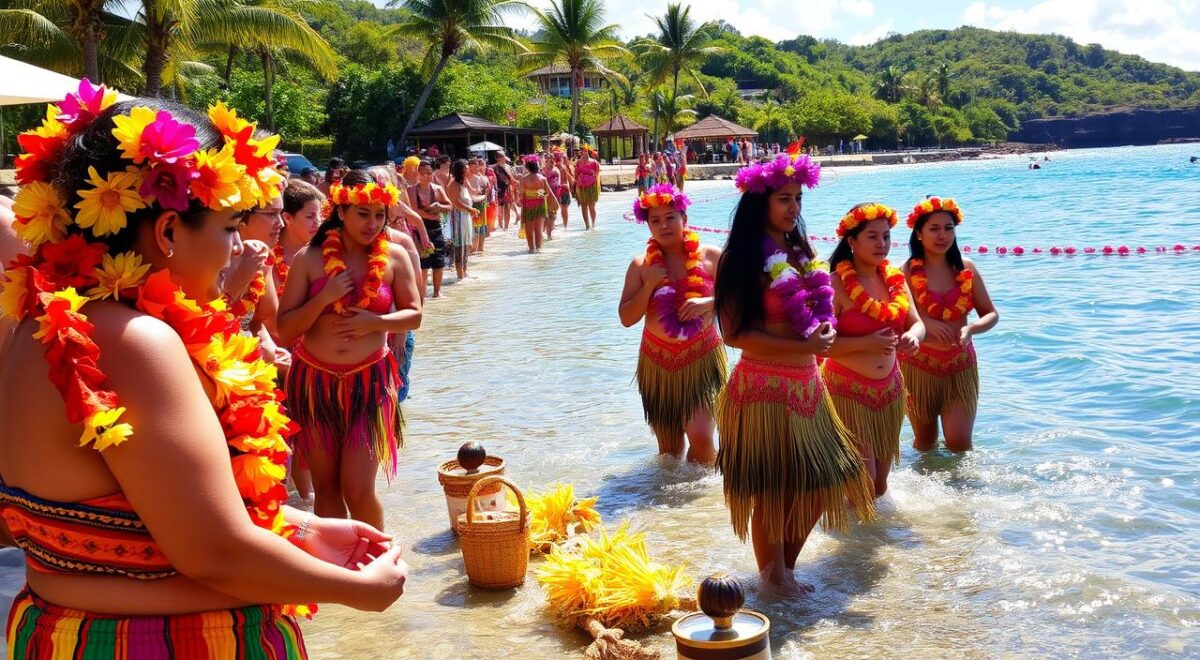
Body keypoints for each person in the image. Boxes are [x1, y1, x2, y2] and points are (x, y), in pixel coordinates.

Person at [0, 87, 408, 655]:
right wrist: (356, 589)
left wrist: (303, 527)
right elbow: (214, 553)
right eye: (228, 227)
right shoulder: (135, 341)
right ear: (168, 232)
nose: (238, 248)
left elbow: (145, 508)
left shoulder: (41, 323)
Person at [713, 152, 875, 596]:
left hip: (807, 386)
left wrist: (826, 329)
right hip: (761, 388)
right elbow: (734, 334)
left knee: (823, 484)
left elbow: (820, 310)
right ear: (759, 203)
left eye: (798, 198)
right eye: (784, 198)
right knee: (771, 489)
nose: (794, 208)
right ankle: (774, 579)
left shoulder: (803, 254)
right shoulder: (739, 262)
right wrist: (803, 346)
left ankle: (784, 570)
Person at [277, 169, 421, 529]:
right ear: (341, 211)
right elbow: (284, 330)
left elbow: (414, 315)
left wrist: (376, 323)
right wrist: (324, 298)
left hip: (370, 384)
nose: (372, 224)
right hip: (315, 384)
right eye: (362, 214)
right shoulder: (309, 260)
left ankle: (377, 563)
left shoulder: (395, 259)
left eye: (379, 215)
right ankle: (339, 572)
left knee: (357, 489)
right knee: (327, 490)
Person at [823, 203, 925, 498]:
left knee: (880, 487)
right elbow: (819, 345)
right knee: (863, 483)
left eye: (887, 236)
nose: (882, 244)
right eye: (872, 236)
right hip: (847, 391)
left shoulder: (895, 281)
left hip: (890, 391)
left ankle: (870, 540)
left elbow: (916, 324)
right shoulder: (835, 285)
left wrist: (915, 338)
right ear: (851, 241)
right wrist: (864, 344)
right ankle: (846, 538)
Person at [619, 184, 725, 463]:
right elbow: (627, 318)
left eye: (670, 218)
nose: (663, 225)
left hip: (701, 360)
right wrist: (650, 285)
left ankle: (703, 501)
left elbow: (741, 298)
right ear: (647, 225)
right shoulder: (641, 265)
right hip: (657, 364)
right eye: (655, 220)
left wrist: (708, 303)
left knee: (701, 437)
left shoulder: (710, 257)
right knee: (669, 452)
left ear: (684, 219)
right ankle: (669, 505)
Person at [900, 197, 999, 452]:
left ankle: (963, 492)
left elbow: (991, 314)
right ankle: (924, 490)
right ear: (919, 234)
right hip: (919, 368)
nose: (942, 235)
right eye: (934, 228)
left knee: (960, 443)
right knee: (925, 443)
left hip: (960, 365)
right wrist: (927, 324)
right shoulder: (906, 273)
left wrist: (972, 328)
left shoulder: (966, 268)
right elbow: (896, 321)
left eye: (948, 228)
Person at [408, 160, 452, 298]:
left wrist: (439, 206)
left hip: (436, 228)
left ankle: (437, 292)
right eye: (422, 173)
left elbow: (449, 206)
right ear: (418, 174)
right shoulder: (411, 190)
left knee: (438, 261)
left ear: (433, 173)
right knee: (423, 263)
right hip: (419, 229)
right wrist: (432, 213)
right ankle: (421, 294)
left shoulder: (438, 189)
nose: (426, 176)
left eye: (428, 173)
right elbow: (415, 211)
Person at [445, 159, 479, 280]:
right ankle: (460, 274)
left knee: (466, 244)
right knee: (459, 245)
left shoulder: (463, 182)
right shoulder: (453, 183)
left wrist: (471, 210)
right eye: (465, 167)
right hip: (458, 217)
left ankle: (465, 271)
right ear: (460, 170)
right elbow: (455, 202)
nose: (468, 169)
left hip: (465, 216)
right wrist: (470, 209)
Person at [516, 156, 558, 254]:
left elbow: (521, 194)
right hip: (540, 205)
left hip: (528, 206)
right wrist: (539, 194)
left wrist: (519, 198)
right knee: (538, 229)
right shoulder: (543, 178)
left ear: (527, 167)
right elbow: (547, 193)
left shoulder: (523, 179)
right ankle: (539, 249)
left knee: (529, 230)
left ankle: (531, 250)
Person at [575, 146, 601, 230]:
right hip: (581, 186)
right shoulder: (578, 163)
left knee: (591, 205)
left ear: (588, 152)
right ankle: (587, 226)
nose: (583, 152)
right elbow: (576, 175)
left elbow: (597, 174)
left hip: (592, 185)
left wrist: (589, 179)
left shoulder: (594, 162)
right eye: (582, 151)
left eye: (585, 151)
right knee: (583, 205)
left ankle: (593, 224)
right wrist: (578, 184)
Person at [493, 152, 515, 231]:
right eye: (501, 157)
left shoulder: (508, 167)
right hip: (498, 189)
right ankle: (500, 225)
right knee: (500, 208)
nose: (503, 158)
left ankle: (506, 226)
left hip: (507, 189)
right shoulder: (494, 167)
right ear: (497, 158)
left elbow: (512, 179)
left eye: (503, 156)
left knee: (507, 208)